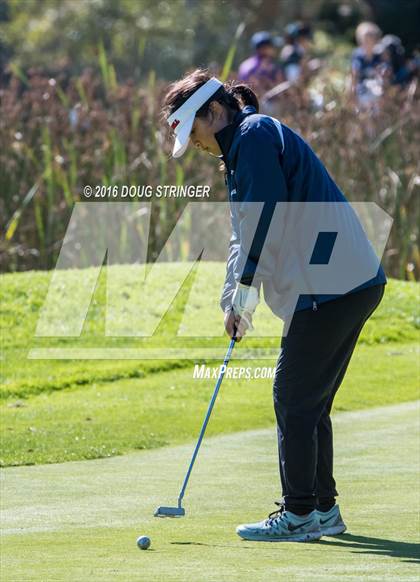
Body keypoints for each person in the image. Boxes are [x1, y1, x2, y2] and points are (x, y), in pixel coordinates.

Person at [161, 69, 387, 542]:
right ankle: (323, 510)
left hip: (333, 286)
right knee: (308, 400)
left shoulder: (255, 133)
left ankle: (300, 513)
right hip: (341, 284)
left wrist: (247, 290)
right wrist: (233, 297)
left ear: (214, 112)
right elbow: (243, 234)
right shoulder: (241, 153)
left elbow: (267, 218)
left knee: (291, 395)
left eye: (194, 129)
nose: (195, 143)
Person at [351, 22, 384, 109]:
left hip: (378, 93)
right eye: (365, 39)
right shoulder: (357, 55)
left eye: (370, 38)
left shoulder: (379, 55)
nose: (367, 42)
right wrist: (353, 93)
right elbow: (354, 75)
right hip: (362, 93)